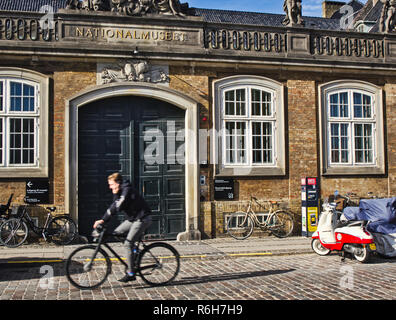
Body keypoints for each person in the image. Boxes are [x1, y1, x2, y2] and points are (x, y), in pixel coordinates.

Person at [93, 172, 152, 283]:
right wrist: (103, 219)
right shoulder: (120, 191)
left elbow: (119, 205)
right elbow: (113, 205)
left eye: (111, 184)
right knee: (117, 232)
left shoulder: (126, 190)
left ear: (118, 183)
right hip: (132, 219)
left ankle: (131, 273)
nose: (110, 187)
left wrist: (104, 219)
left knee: (127, 244)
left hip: (142, 218)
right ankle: (135, 250)